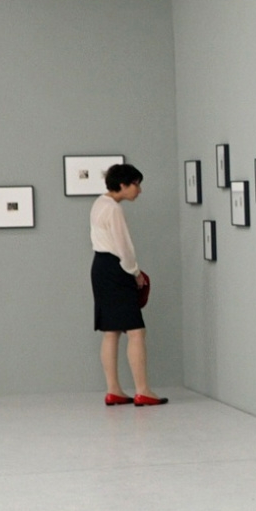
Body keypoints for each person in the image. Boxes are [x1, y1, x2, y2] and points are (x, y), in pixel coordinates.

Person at [90, 164, 167, 407]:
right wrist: (136, 273)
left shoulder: (99, 203)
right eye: (136, 184)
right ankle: (143, 390)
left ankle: (113, 390)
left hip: (100, 266)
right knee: (135, 331)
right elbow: (124, 246)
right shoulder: (114, 209)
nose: (139, 190)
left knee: (111, 331)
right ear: (122, 185)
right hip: (116, 268)